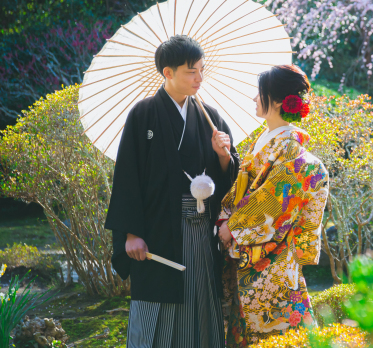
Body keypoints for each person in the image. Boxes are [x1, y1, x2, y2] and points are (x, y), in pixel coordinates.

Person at [104, 35, 240, 348]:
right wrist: (130, 233)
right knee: (157, 303)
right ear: (168, 72)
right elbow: (127, 176)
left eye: (201, 70)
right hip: (156, 229)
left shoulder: (212, 118)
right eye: (191, 71)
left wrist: (223, 156)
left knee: (200, 299)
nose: (199, 78)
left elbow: (231, 177)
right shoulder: (143, 114)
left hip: (200, 229)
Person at [217, 65, 329, 346]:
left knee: (278, 335)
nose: (254, 98)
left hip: (273, 255)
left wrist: (232, 226)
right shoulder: (268, 141)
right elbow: (248, 192)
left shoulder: (290, 148)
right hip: (252, 254)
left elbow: (273, 202)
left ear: (277, 101)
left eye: (260, 93)